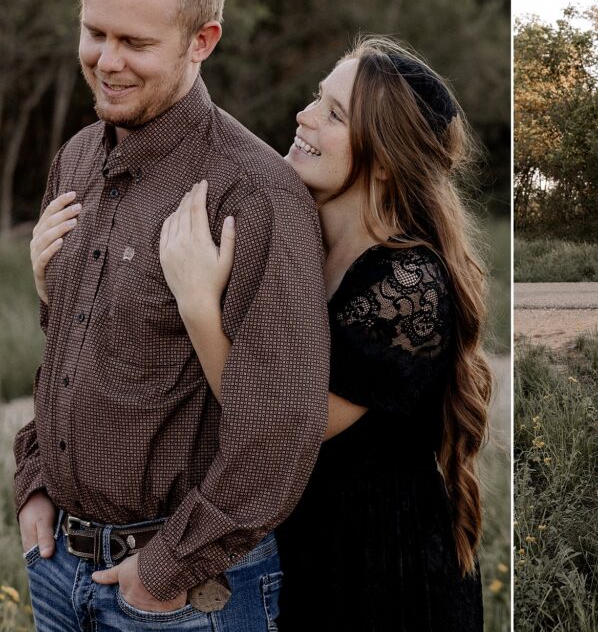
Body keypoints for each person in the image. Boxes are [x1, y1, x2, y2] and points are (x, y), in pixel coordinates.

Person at [17, 0, 329, 630]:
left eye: (135, 42)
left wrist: (163, 574)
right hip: (59, 572)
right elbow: (64, 348)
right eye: (95, 33)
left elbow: (283, 422)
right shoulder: (73, 160)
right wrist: (33, 482)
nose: (106, 59)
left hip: (179, 598)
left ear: (202, 41)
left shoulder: (253, 195)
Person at [156, 36, 491, 629]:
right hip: (301, 555)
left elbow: (283, 423)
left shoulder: (408, 286)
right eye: (318, 97)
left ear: (384, 159)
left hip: (380, 575)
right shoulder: (298, 244)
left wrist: (198, 306)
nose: (303, 116)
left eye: (334, 113)